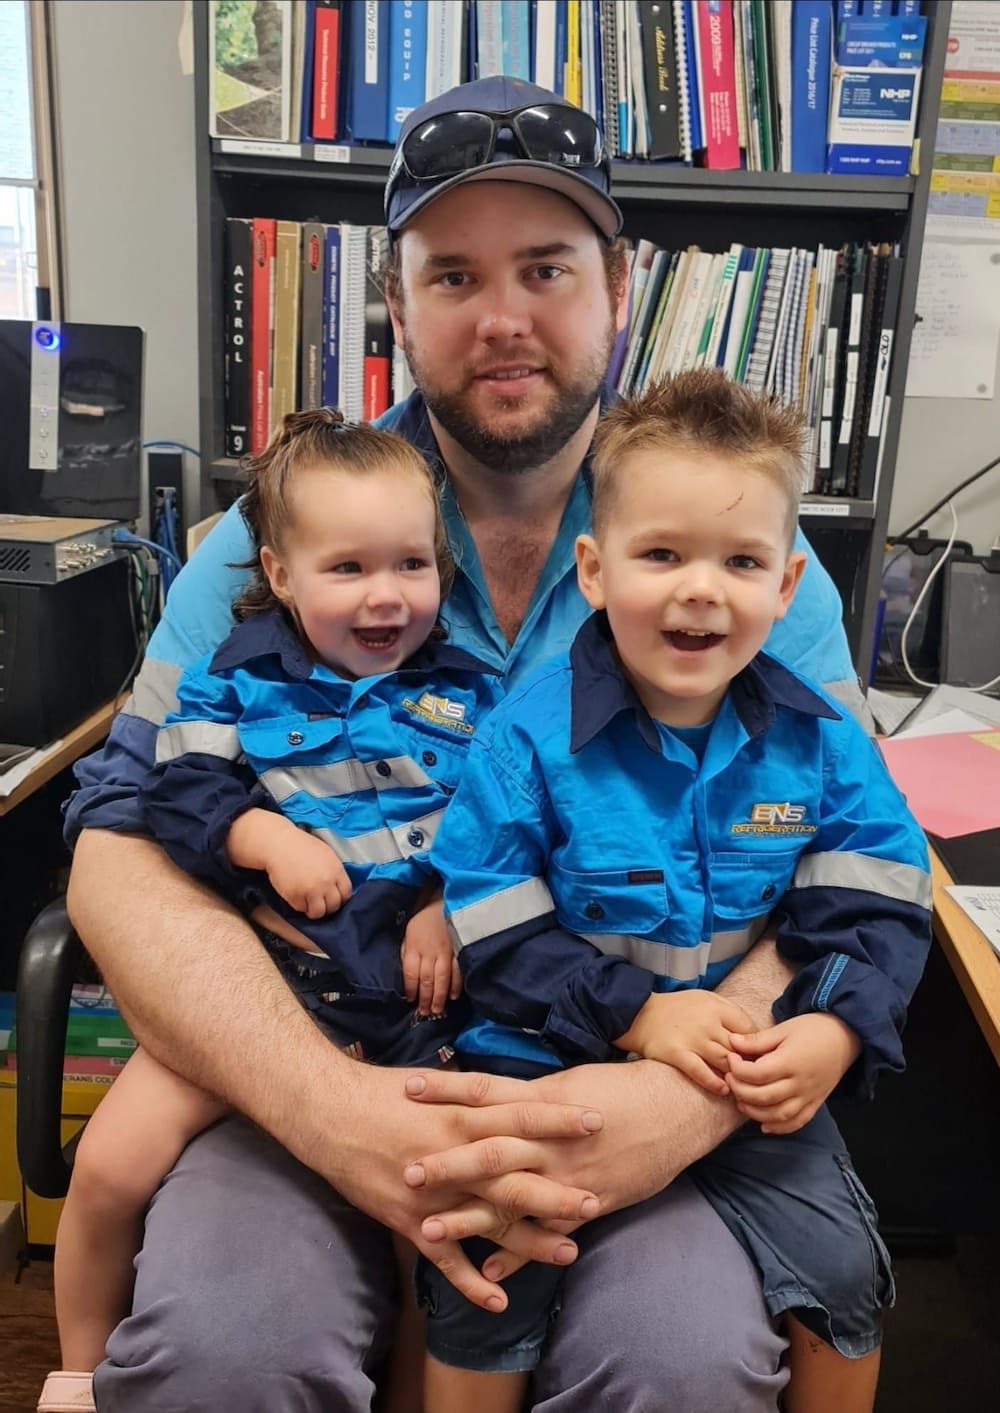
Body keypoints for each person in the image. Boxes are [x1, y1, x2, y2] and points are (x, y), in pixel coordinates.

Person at [63, 74, 874, 1412]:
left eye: (546, 268)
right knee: (224, 1350)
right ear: (398, 307)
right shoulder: (280, 531)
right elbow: (114, 850)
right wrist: (334, 1109)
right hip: (324, 1049)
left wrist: (680, 1104)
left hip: (624, 1075)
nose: (501, 318)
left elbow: (848, 870)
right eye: (451, 277)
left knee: (678, 1365)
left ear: (620, 286)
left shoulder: (740, 553)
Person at [422, 370, 931, 1413]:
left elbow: (877, 900)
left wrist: (832, 1032)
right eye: (662, 555)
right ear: (596, 571)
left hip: (755, 1089)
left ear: (785, 588)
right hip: (544, 1068)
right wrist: (639, 1017)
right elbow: (491, 923)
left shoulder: (825, 745)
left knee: (846, 1279)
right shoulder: (523, 739)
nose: (702, 589)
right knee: (483, 1283)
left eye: (739, 561)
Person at [41, 410, 513, 1413]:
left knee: (431, 1234)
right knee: (112, 1167)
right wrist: (266, 840)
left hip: (407, 1013)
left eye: (412, 565)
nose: (387, 597)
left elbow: (508, 824)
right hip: (266, 999)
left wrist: (444, 908)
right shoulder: (236, 678)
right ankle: (79, 1372)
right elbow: (176, 796)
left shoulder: (472, 692)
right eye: (347, 569)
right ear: (282, 574)